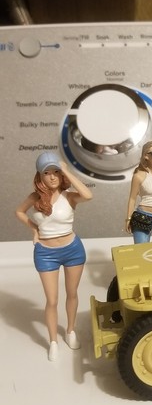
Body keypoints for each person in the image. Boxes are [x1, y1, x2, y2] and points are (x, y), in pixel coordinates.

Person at [15, 152, 93, 361]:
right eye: (47, 172)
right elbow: (19, 212)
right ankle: (53, 341)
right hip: (46, 253)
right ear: (40, 176)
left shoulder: (69, 197)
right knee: (52, 300)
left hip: (72, 250)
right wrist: (34, 229)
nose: (52, 177)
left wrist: (67, 170)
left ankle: (70, 330)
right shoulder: (35, 198)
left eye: (56, 172)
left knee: (72, 293)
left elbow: (88, 195)